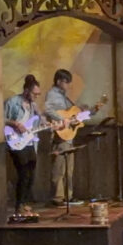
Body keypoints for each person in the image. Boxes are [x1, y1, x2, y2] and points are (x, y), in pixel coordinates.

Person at [4, 74, 44, 215]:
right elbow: (1, 118)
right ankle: (19, 205)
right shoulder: (12, 102)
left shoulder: (34, 106)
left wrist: (53, 124)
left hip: (29, 142)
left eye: (38, 94)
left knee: (31, 173)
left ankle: (25, 202)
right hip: (15, 141)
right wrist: (14, 123)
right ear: (26, 90)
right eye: (34, 94)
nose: (36, 97)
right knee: (23, 173)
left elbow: (40, 123)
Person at [44, 69, 83, 206]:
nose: (68, 85)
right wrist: (62, 119)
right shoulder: (52, 94)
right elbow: (48, 110)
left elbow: (69, 113)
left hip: (68, 136)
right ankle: (57, 197)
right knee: (58, 168)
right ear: (59, 81)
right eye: (67, 82)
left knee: (68, 168)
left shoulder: (63, 96)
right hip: (59, 135)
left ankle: (68, 195)